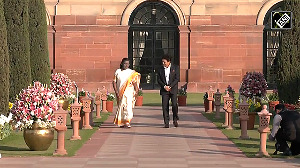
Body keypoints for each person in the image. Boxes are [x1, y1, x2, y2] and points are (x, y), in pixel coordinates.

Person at [113, 58, 140, 128]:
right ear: (122, 63)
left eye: (128, 64)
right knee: (121, 107)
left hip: (129, 92)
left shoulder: (131, 73)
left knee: (128, 107)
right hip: (120, 92)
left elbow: (134, 82)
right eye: (125, 63)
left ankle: (127, 121)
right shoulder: (118, 72)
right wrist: (116, 92)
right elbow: (114, 82)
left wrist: (136, 91)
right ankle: (122, 122)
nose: (126, 65)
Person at [157, 55, 179, 128]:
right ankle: (166, 122)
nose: (163, 63)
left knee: (174, 105)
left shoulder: (175, 68)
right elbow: (159, 80)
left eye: (164, 62)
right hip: (164, 90)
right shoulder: (160, 69)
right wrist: (164, 86)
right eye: (162, 62)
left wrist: (170, 86)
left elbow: (177, 79)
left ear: (169, 62)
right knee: (165, 106)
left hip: (173, 89)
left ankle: (175, 119)